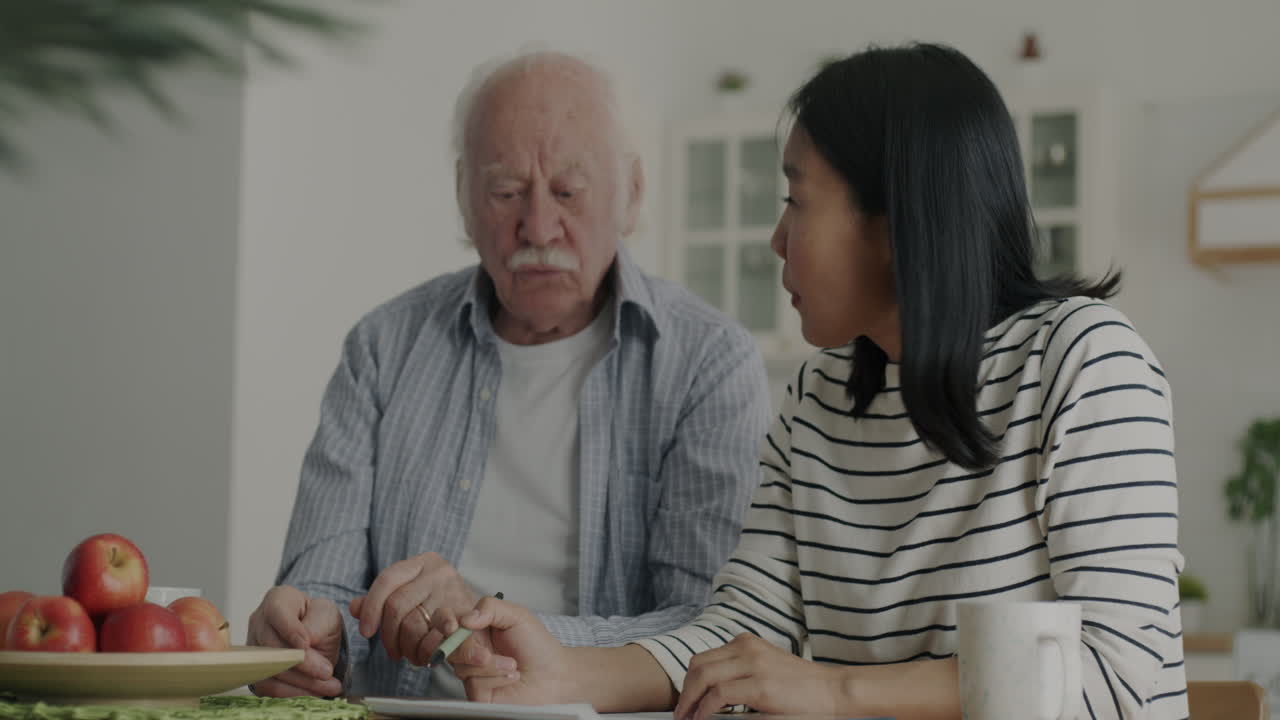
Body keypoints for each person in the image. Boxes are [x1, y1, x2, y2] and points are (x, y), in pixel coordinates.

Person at [445, 43, 1188, 720]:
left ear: (895, 227)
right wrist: (563, 672)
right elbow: (741, 633)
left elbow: (1111, 670)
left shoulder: (1086, 362)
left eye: (796, 202)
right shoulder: (818, 397)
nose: (776, 239)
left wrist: (831, 688)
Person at [245, 50, 771, 698]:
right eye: (505, 192)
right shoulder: (383, 348)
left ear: (631, 194)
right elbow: (321, 588)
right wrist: (308, 631)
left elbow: (715, 627)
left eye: (569, 192)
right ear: (465, 200)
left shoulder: (708, 364)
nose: (538, 226)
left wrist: (508, 632)